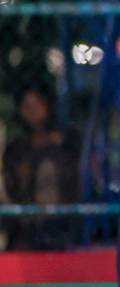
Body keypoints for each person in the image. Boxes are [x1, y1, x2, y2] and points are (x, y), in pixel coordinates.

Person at [1, 88, 81, 250]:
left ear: (47, 107)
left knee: (47, 170)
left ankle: (50, 232)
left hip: (55, 217)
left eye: (36, 106)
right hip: (23, 213)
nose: (31, 112)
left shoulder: (65, 138)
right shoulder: (18, 145)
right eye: (26, 107)